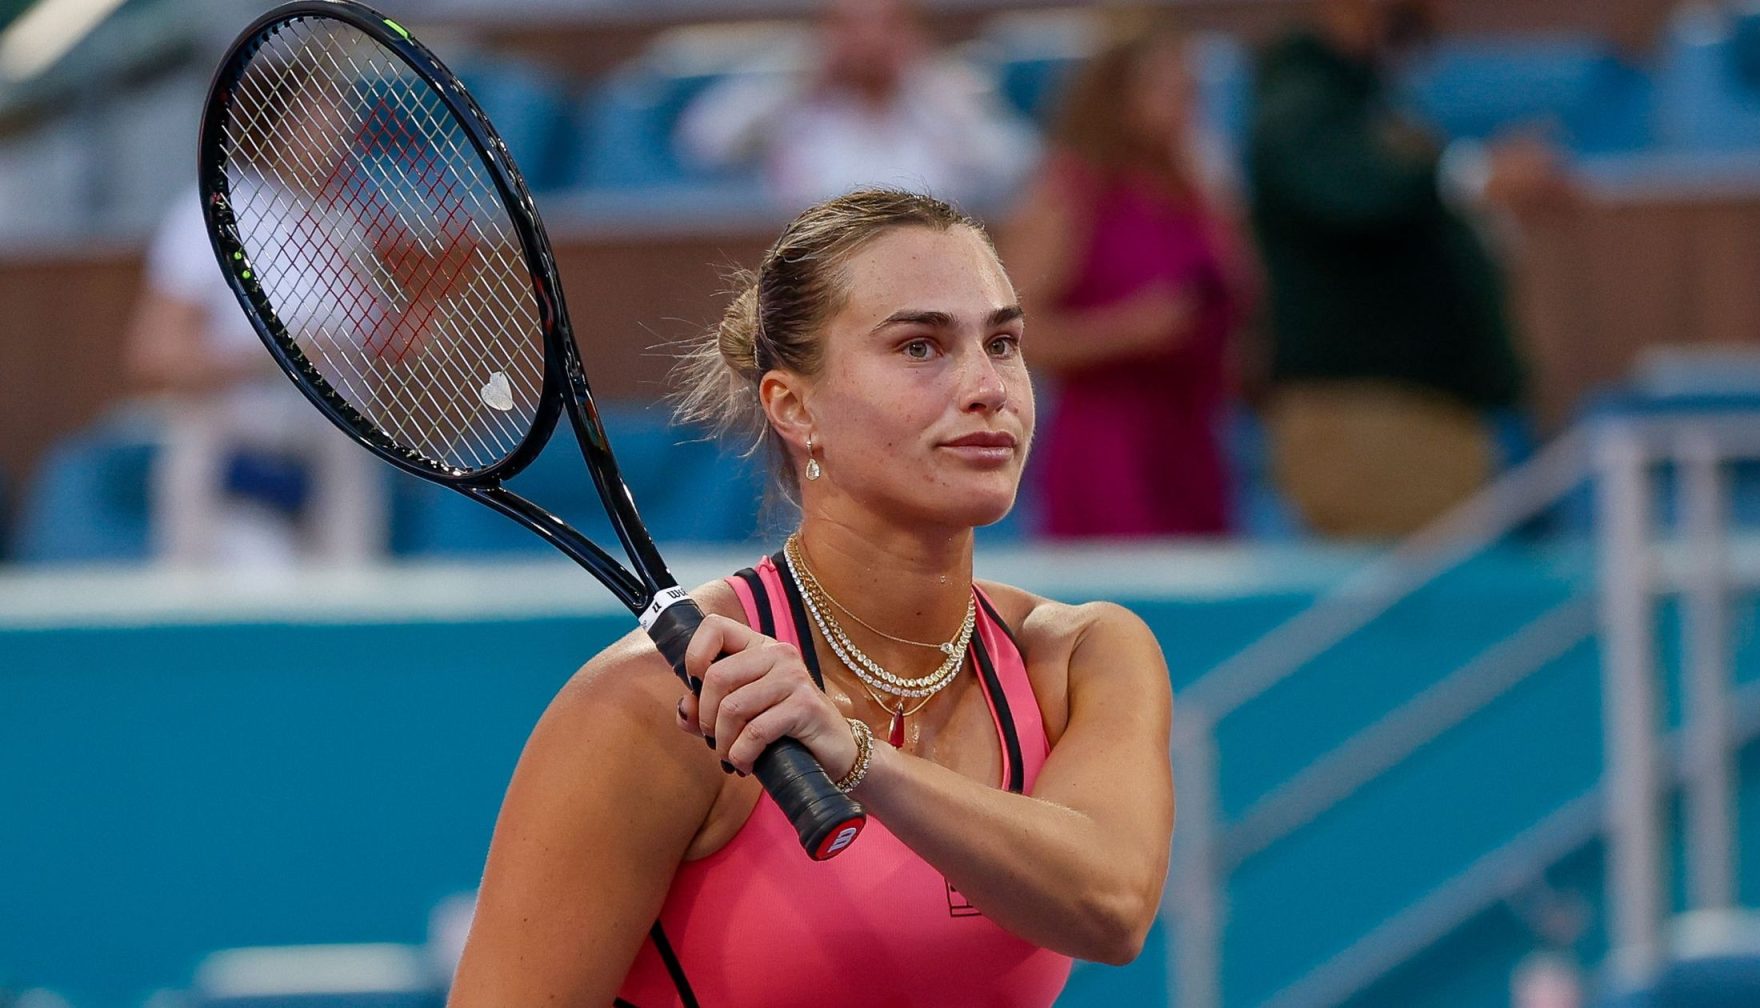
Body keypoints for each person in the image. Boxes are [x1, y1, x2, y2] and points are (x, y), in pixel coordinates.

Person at [447, 190, 1174, 1006]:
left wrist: (856, 757)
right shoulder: (653, 706)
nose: (986, 387)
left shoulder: (1080, 657)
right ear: (794, 407)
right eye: (921, 347)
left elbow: (1111, 908)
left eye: (1003, 342)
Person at [1244, 0, 1571, 538]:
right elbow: (1351, 188)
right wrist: (1478, 176)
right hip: (1369, 421)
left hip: (1417, 418)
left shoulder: (1366, 97)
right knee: (1418, 612)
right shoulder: (1301, 99)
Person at [998, 22, 1258, 539]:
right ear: (1117, 98)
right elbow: (1012, 336)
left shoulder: (1201, 195)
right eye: (1165, 88)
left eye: (1190, 91)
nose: (1183, 105)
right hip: (1107, 442)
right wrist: (1127, 331)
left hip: (1194, 437)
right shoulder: (1068, 196)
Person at [124, 185, 384, 567]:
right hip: (236, 455)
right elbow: (155, 356)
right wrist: (278, 355)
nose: (339, 130)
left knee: (347, 610)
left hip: (335, 464)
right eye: (323, 121)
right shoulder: (210, 215)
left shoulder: (345, 218)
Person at [675, 0, 1037, 210]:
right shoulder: (788, 96)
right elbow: (703, 144)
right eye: (851, 27)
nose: (869, 41)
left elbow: (1019, 167)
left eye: (886, 26)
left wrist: (928, 83)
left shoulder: (947, 92)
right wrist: (795, 79)